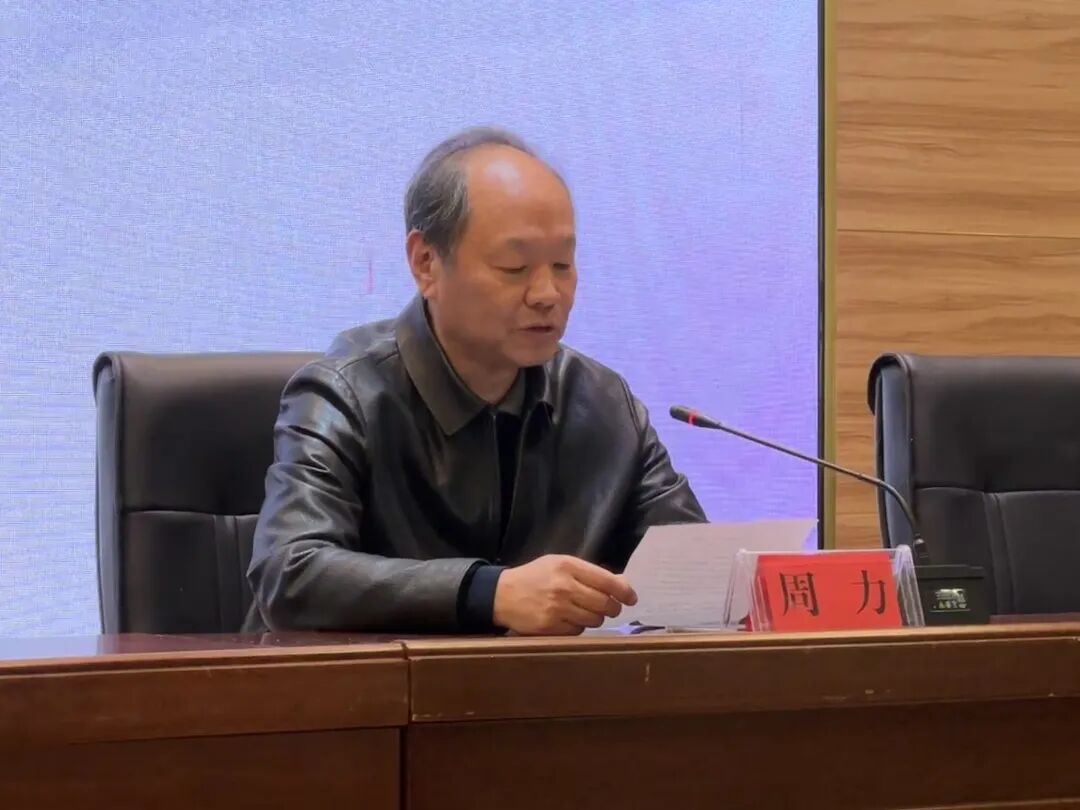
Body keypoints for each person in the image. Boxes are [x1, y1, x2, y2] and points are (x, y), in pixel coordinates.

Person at [244, 127, 705, 636]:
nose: (548, 293)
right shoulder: (344, 394)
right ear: (426, 263)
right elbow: (289, 574)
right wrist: (488, 592)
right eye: (515, 266)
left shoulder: (602, 404)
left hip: (545, 687)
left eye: (562, 264)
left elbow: (698, 577)